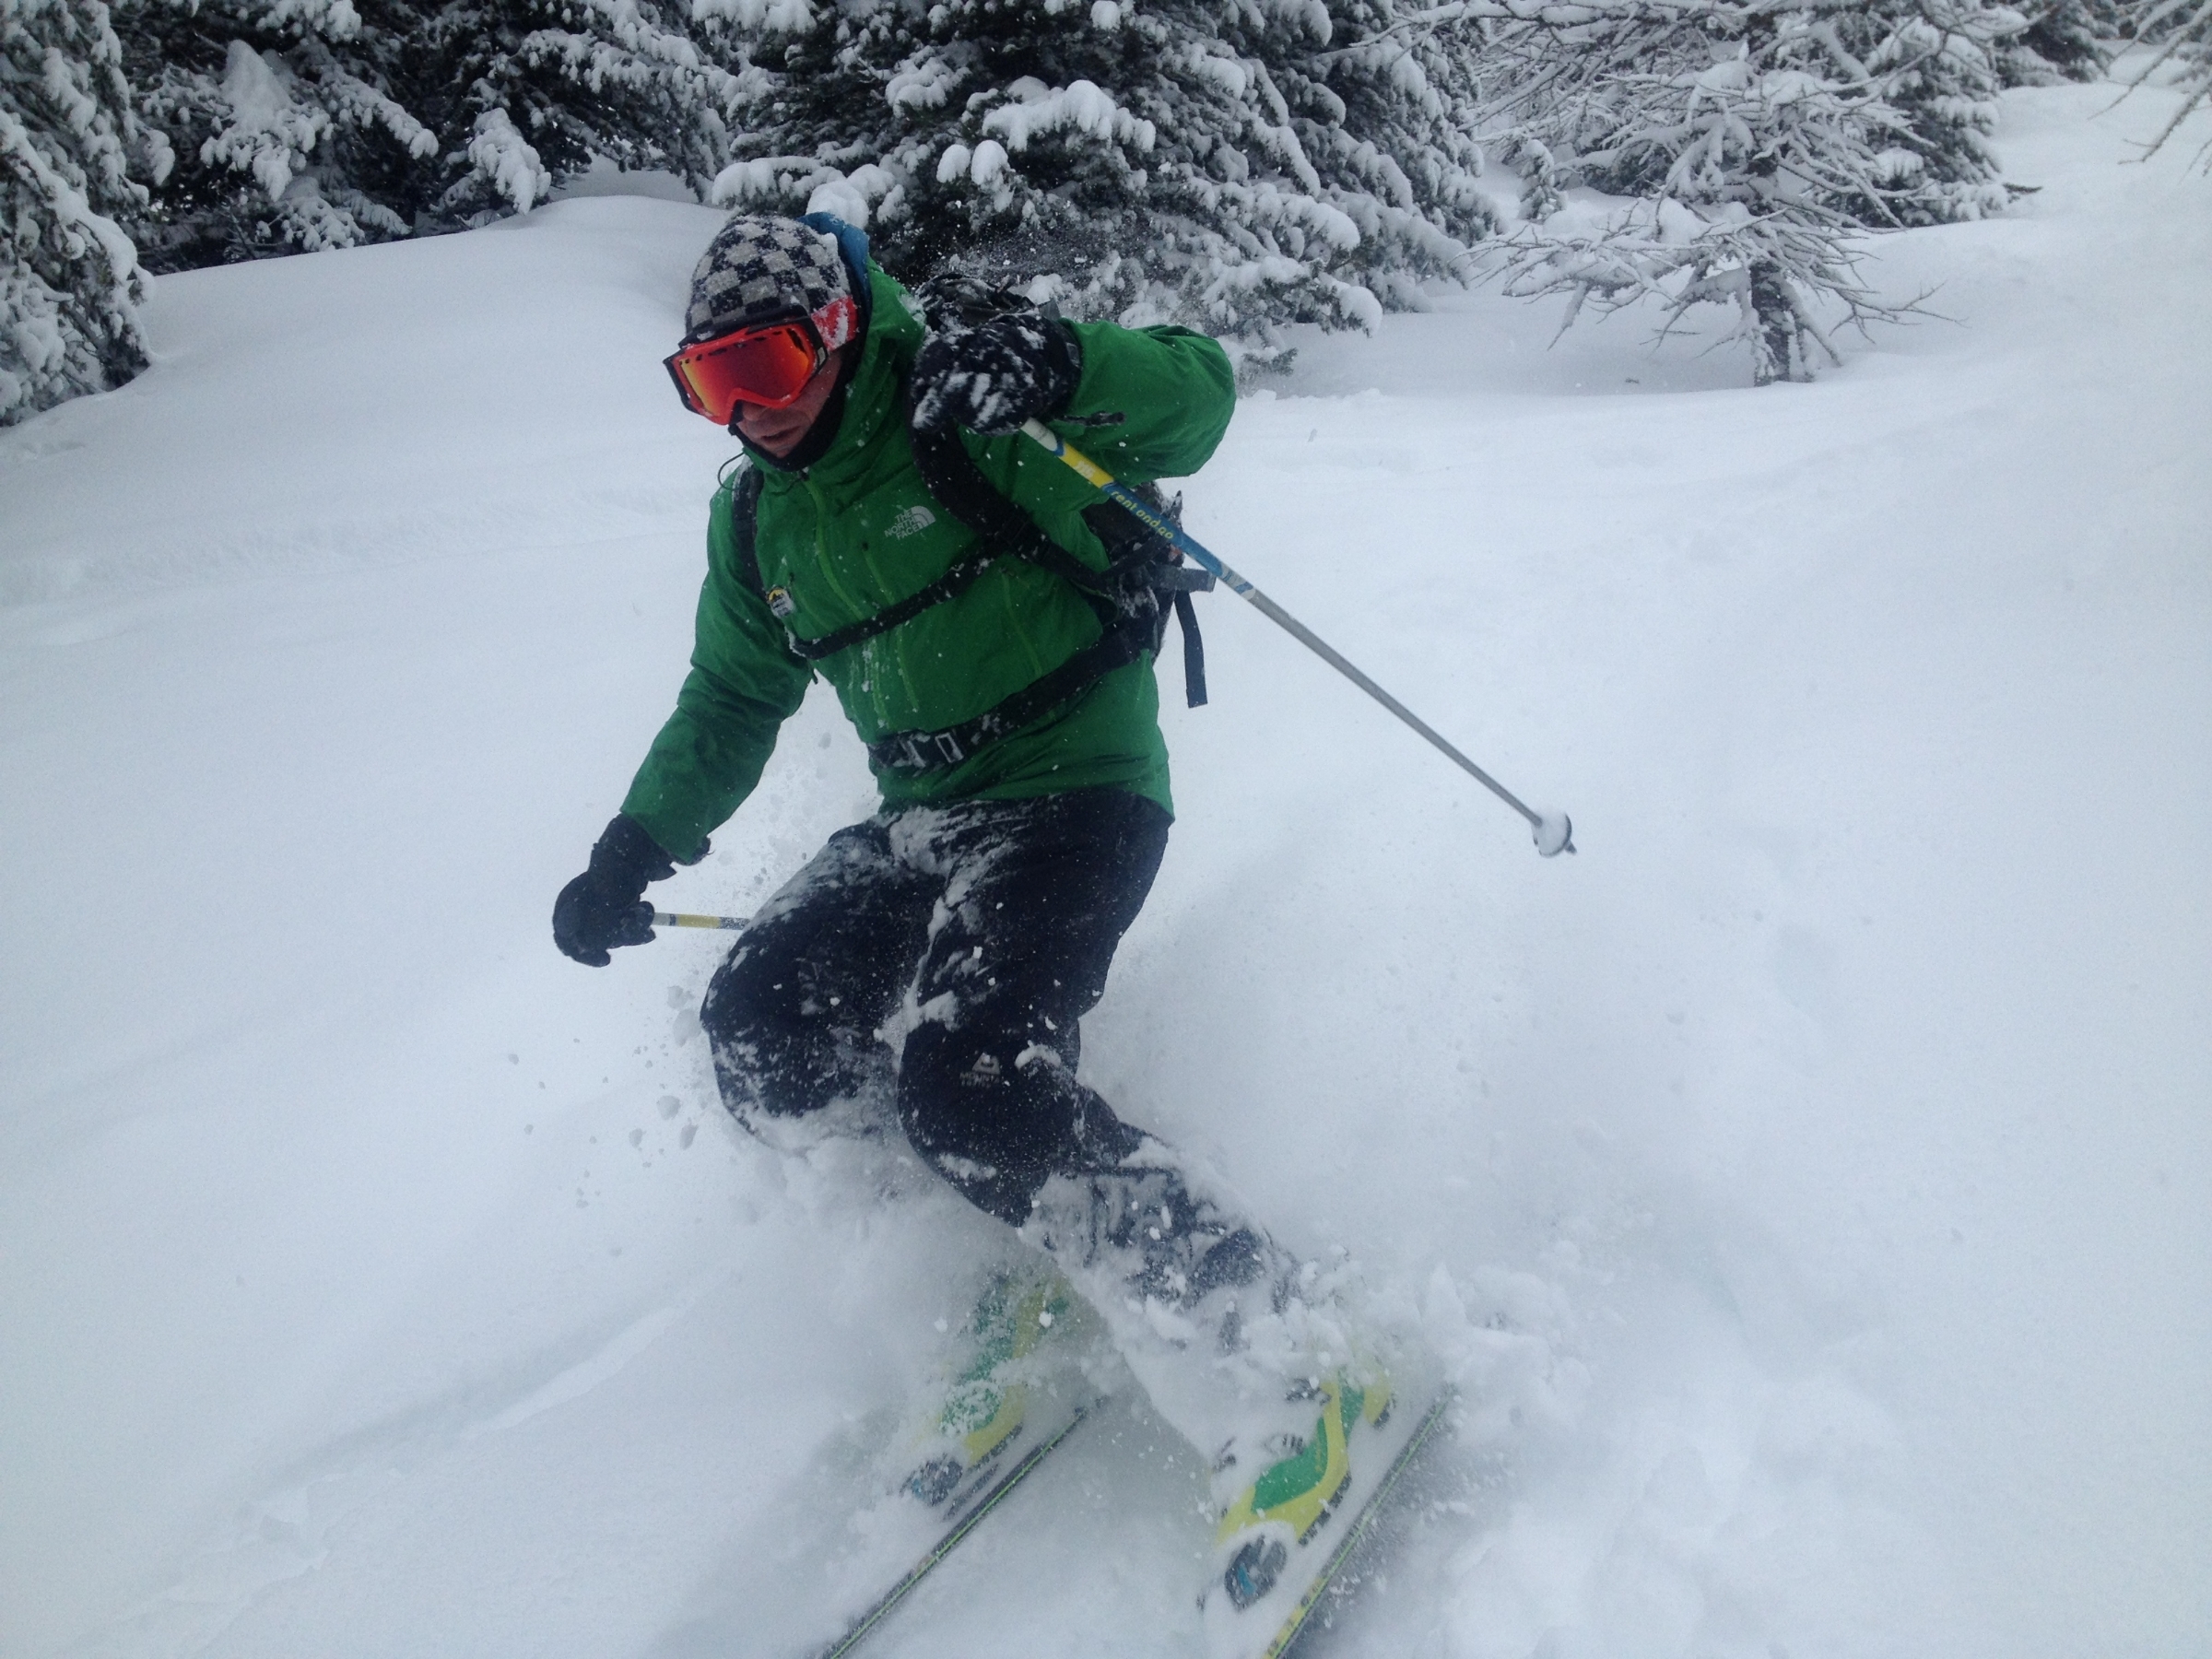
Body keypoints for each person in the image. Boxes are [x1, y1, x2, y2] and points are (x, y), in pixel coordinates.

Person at [551, 213, 1382, 1609]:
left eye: (764, 364)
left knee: (972, 1080)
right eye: (712, 383)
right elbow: (733, 695)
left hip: (1077, 787)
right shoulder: (756, 518)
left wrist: (1060, 361)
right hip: (918, 818)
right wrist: (637, 843)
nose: (750, 411)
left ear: (841, 329)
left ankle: (1290, 1357)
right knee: (762, 1028)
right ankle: (996, 1302)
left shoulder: (965, 403)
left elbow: (1200, 396)